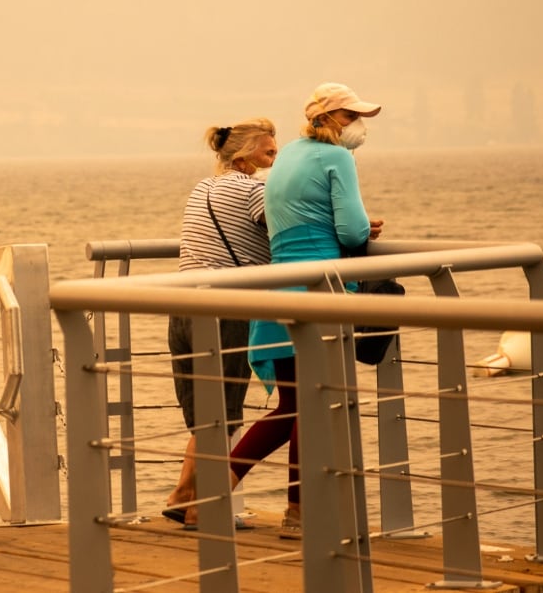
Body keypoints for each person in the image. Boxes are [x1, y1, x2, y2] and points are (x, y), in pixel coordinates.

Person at [228, 82, 384, 539]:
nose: (359, 128)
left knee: (291, 406)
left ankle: (213, 490)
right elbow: (353, 233)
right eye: (353, 117)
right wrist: (366, 226)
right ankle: (298, 515)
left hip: (278, 290)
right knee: (308, 409)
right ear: (331, 118)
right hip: (318, 293)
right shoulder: (337, 158)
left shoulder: (291, 154)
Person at [162, 117, 278, 530]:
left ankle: (183, 497)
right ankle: (197, 507)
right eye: (269, 151)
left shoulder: (202, 187)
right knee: (223, 414)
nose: (276, 157)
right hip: (224, 307)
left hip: (183, 306)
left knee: (204, 413)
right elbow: (287, 229)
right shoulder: (254, 189)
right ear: (245, 155)